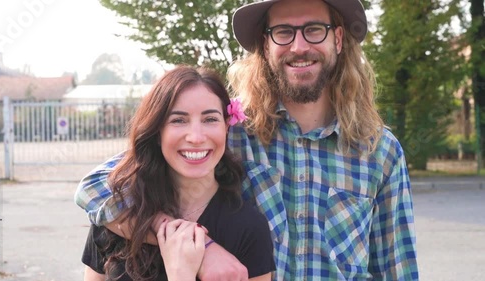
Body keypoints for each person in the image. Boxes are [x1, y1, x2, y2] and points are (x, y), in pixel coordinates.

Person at [75, 0, 419, 280]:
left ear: (338, 39)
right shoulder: (227, 135)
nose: (299, 47)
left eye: (315, 29)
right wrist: (196, 245)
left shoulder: (380, 152)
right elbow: (97, 188)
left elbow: (397, 271)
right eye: (283, 32)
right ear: (265, 45)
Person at [79, 65, 275, 281]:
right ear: (157, 132)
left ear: (227, 127)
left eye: (210, 119)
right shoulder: (118, 211)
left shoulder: (249, 228)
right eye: (178, 120)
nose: (196, 137)